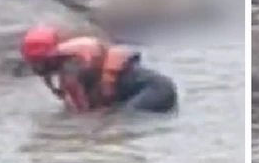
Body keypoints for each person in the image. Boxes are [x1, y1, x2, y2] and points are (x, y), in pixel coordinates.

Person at [19, 25, 178, 113]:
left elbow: (86, 118)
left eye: (36, 63)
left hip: (155, 92)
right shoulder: (73, 61)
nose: (34, 68)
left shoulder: (71, 71)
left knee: (121, 122)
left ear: (48, 58)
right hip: (160, 87)